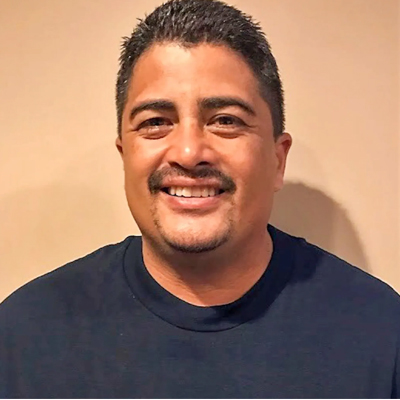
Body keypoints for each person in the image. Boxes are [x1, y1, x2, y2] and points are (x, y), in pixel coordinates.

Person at [1, 0, 399, 397]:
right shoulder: (23, 336)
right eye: (156, 122)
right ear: (125, 157)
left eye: (225, 120)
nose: (189, 153)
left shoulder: (381, 334)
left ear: (277, 160)